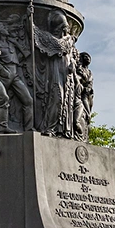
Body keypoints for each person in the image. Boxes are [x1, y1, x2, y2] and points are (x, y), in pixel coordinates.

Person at [34, 11, 79, 139]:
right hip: (55, 72)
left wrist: (72, 67)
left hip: (67, 75)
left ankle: (62, 130)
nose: (65, 31)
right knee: (57, 97)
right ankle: (49, 127)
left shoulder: (68, 41)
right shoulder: (52, 41)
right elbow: (41, 36)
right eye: (63, 28)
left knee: (67, 101)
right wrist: (29, 20)